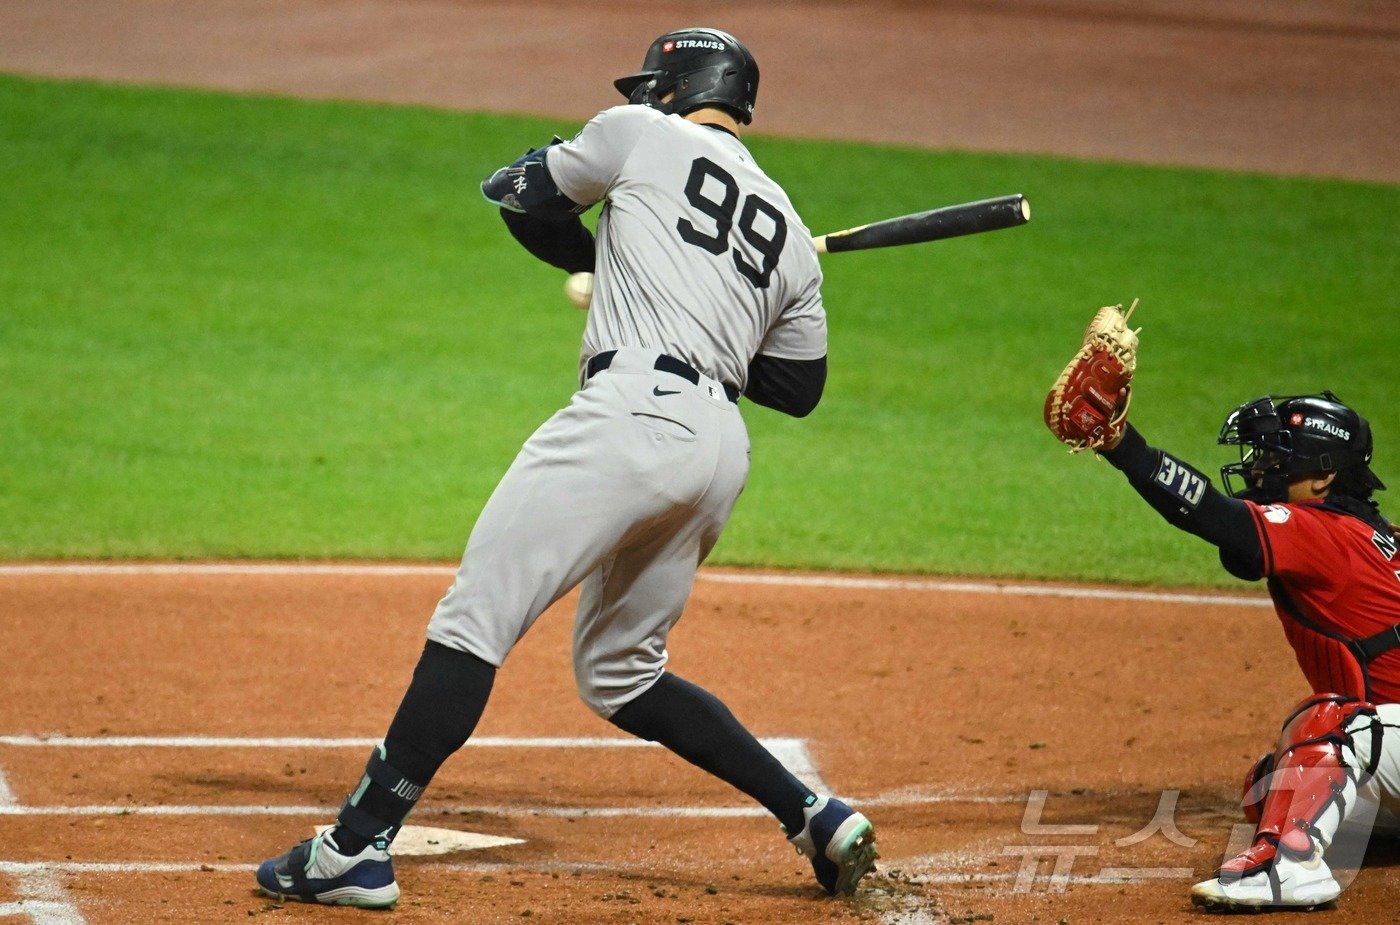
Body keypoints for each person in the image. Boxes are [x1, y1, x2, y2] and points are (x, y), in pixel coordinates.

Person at [254, 27, 878, 909]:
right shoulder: (781, 223)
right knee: (623, 673)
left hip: (629, 419)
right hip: (718, 449)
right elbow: (796, 388)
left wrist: (612, 251)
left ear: (675, 87)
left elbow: (520, 194)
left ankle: (354, 847)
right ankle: (815, 815)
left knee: (475, 618)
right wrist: (719, 285)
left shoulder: (636, 133)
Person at [1086, 389, 1400, 912]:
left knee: (1333, 726)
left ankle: (1288, 870)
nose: (1258, 471)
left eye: (1276, 459)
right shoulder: (1365, 535)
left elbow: (1211, 514)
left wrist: (1124, 445)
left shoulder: (1324, 531)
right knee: (1273, 784)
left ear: (1323, 477)